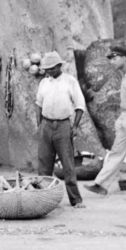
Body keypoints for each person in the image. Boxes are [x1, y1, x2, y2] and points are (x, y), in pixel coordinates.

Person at [36, 51, 86, 208]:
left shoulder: (70, 82)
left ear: (59, 66)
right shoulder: (44, 83)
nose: (49, 71)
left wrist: (75, 126)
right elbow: (38, 104)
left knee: (68, 165)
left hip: (64, 126)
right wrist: (39, 126)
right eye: (47, 69)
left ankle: (76, 200)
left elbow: (79, 106)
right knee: (44, 165)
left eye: (52, 68)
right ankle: (43, 199)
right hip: (46, 125)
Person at [85, 46, 126, 196]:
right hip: (123, 117)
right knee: (117, 152)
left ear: (124, 57)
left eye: (115, 59)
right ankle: (101, 185)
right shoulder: (123, 75)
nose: (113, 62)